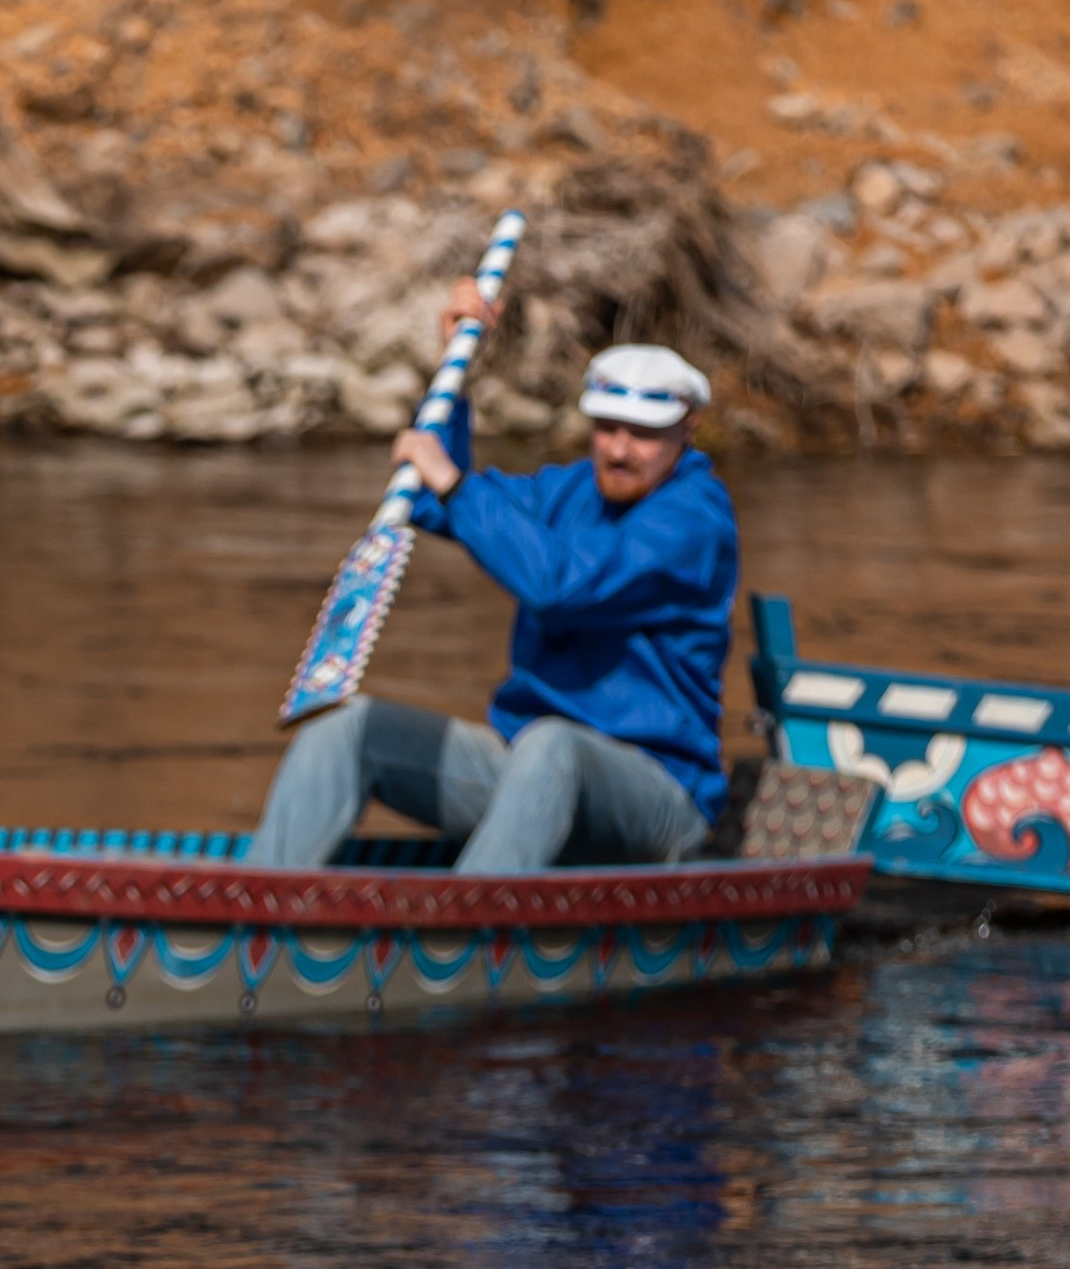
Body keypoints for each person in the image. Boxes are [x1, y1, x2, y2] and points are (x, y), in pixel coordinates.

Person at [243, 309, 738, 875]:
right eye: (607, 427)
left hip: (658, 801)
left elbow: (557, 585)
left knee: (555, 744)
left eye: (645, 434)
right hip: (529, 771)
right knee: (347, 728)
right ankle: (255, 907)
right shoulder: (569, 489)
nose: (620, 450)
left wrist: (450, 483)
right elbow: (436, 502)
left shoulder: (696, 521)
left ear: (689, 428)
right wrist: (459, 364)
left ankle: (458, 940)